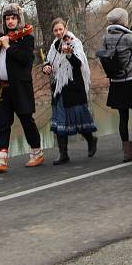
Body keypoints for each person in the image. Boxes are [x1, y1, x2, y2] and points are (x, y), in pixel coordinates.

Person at [0, 4, 44, 173]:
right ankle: (0, 160)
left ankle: (36, 153)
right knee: (1, 123)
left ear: (19, 20)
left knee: (26, 120)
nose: (10, 21)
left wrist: (8, 46)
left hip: (20, 88)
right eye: (7, 18)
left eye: (13, 18)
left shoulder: (27, 39)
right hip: (1, 89)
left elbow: (25, 60)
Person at [42, 19, 98, 164]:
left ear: (65, 29)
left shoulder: (74, 42)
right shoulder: (54, 46)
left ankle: (91, 140)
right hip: (59, 88)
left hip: (73, 87)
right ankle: (63, 154)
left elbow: (79, 63)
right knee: (60, 119)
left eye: (61, 29)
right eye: (56, 30)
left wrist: (69, 54)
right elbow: (49, 61)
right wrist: (46, 68)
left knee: (78, 118)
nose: (59, 32)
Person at [101, 8, 132, 162]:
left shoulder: (105, 38)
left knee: (123, 118)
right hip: (131, 80)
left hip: (116, 83)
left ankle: (127, 152)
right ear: (123, 21)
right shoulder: (128, 37)